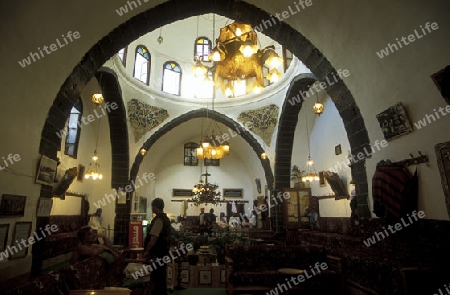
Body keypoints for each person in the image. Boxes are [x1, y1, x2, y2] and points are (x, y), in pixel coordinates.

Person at [143, 198, 171, 295]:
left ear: (155, 206)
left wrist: (147, 250)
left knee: (157, 276)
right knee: (161, 275)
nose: (152, 208)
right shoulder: (166, 219)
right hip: (164, 251)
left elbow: (154, 238)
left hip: (157, 252)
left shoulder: (159, 219)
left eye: (152, 206)